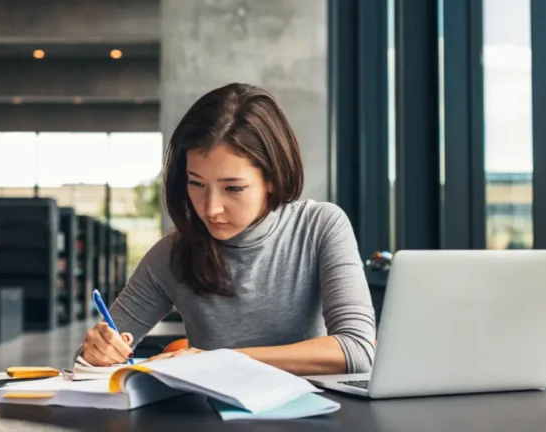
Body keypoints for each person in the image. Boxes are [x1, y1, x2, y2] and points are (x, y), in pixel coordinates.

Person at [79, 83, 376, 376]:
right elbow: (87, 365)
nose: (210, 209)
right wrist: (95, 353)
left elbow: (358, 350)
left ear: (273, 178)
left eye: (233, 188)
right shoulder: (171, 254)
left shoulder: (319, 226)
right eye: (196, 183)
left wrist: (219, 360)